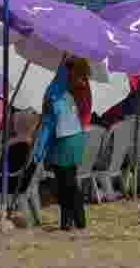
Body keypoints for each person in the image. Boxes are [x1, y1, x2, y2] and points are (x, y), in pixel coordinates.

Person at [33, 58, 91, 231]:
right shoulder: (71, 93)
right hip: (75, 138)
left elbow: (48, 125)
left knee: (65, 183)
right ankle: (75, 220)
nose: (82, 80)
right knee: (69, 181)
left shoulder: (56, 93)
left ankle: (71, 220)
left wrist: (39, 150)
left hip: (65, 141)